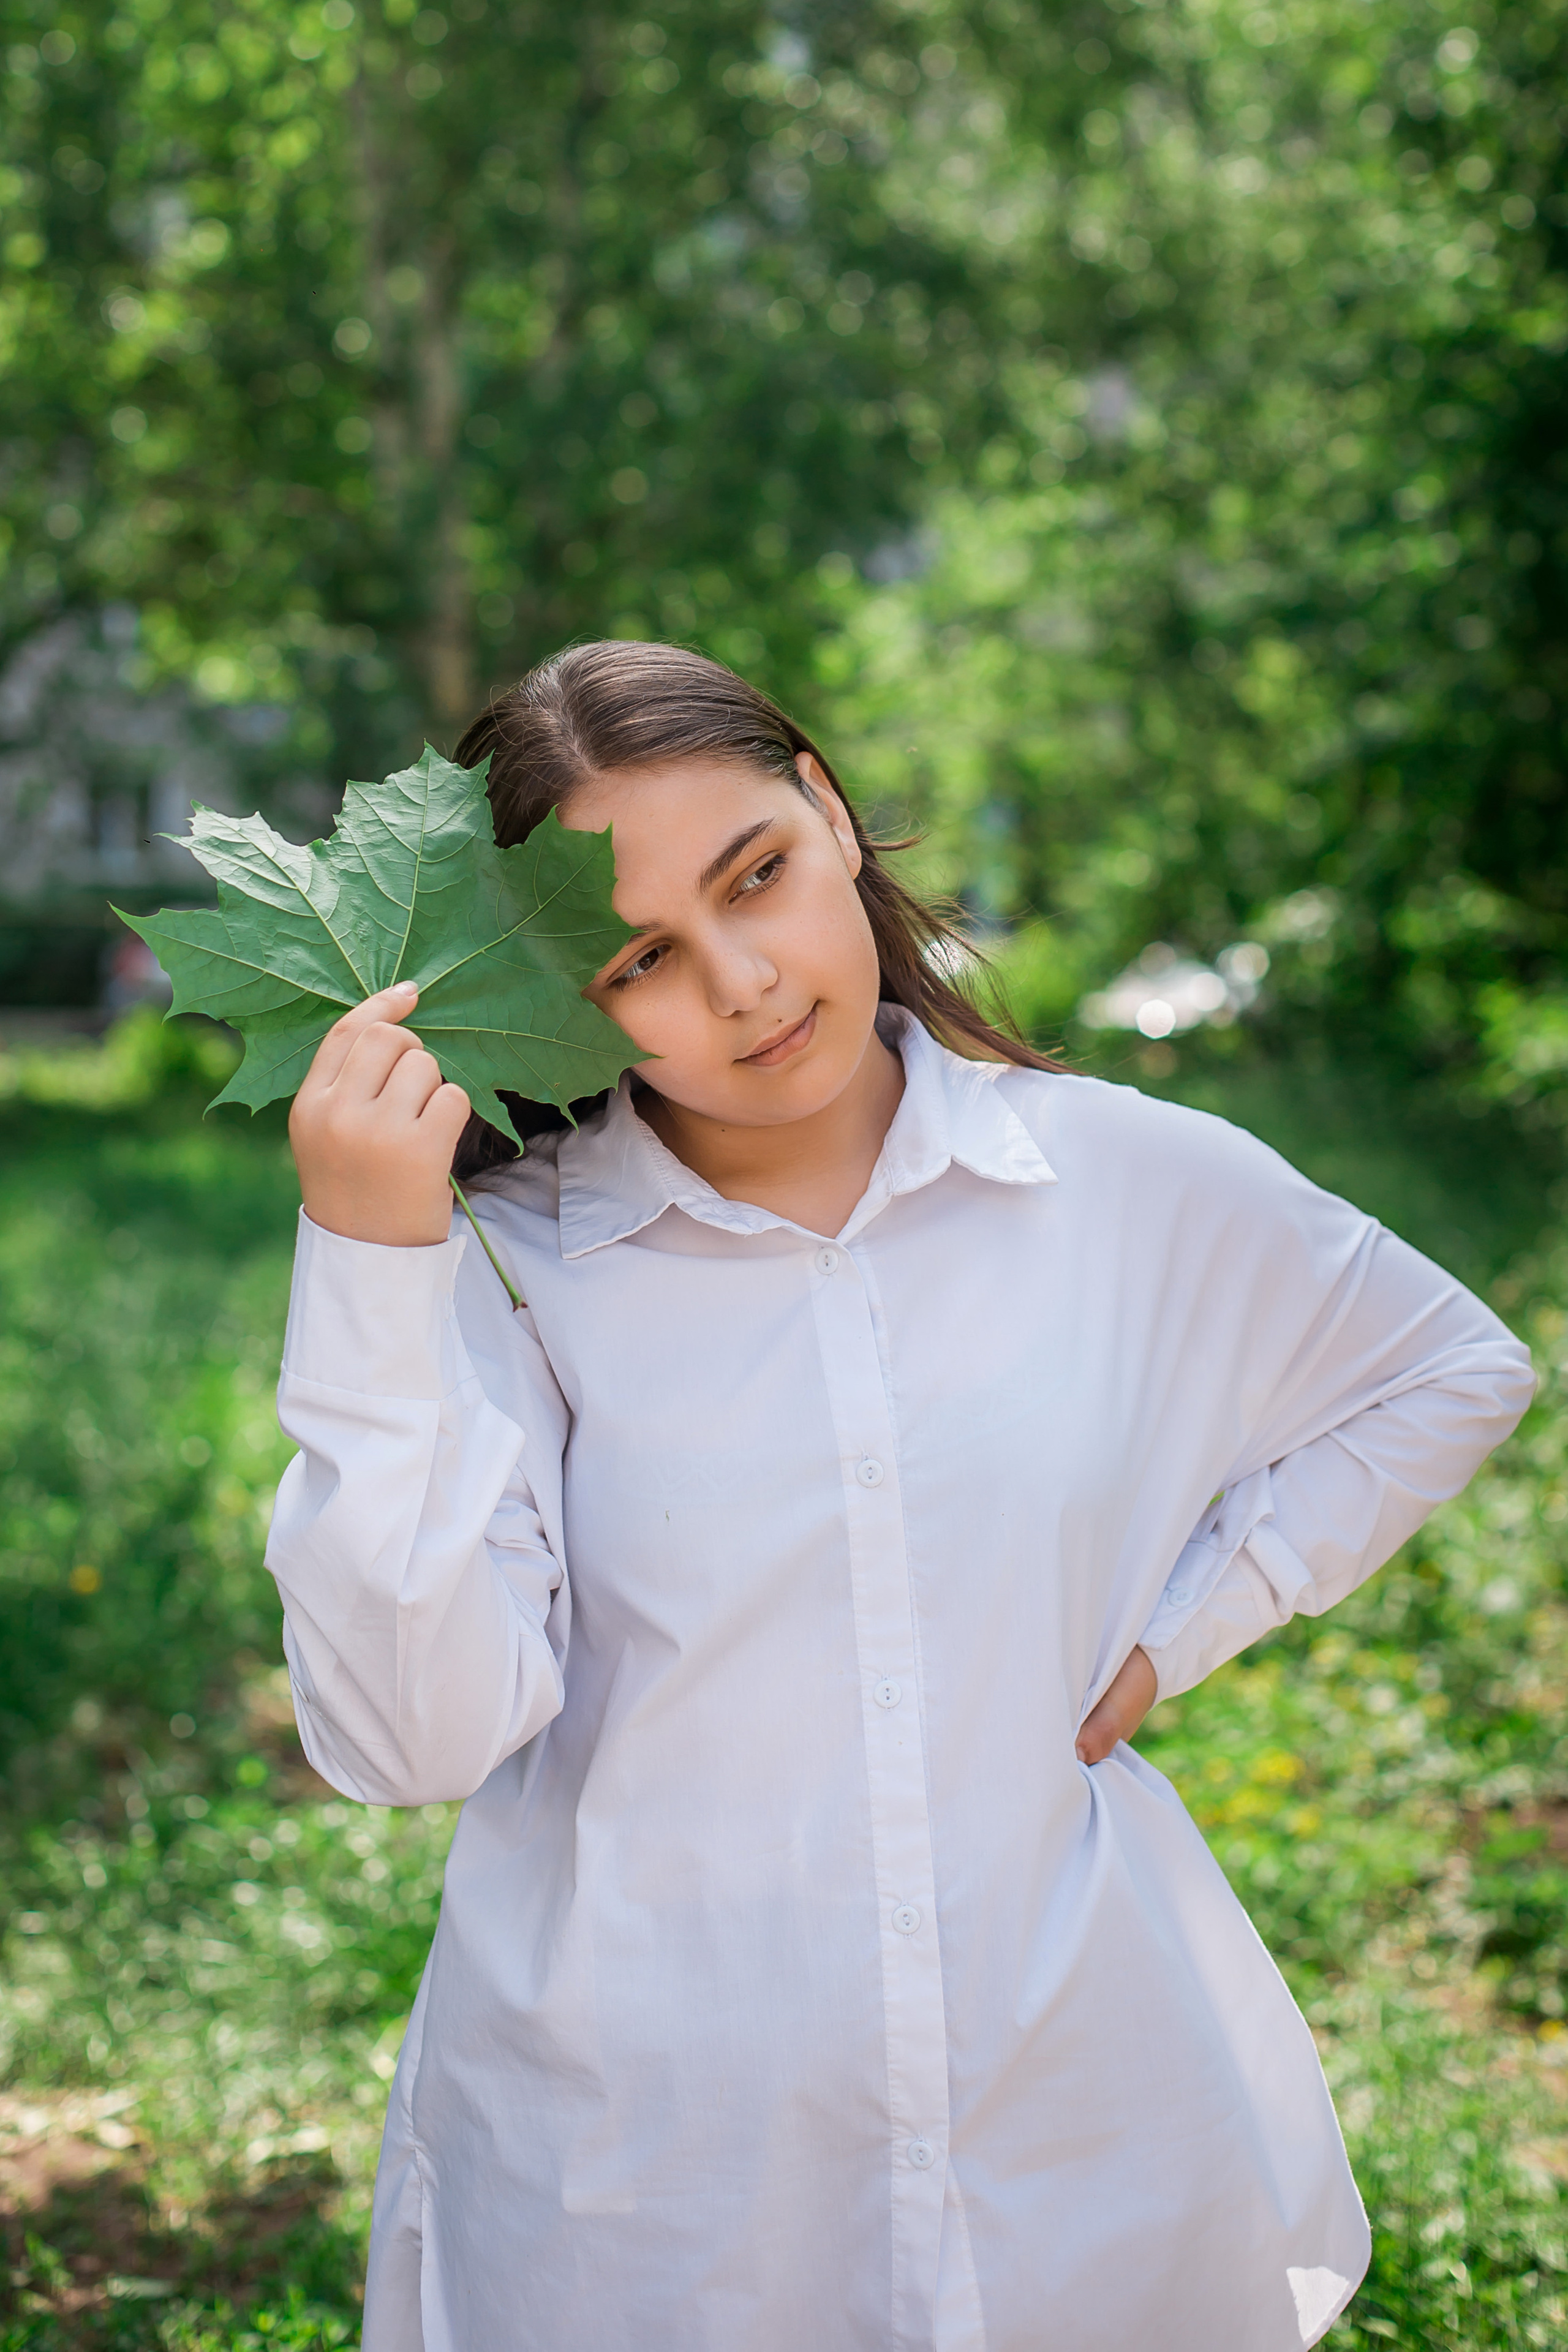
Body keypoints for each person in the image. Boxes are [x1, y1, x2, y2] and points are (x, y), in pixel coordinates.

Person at [267, 641, 1534, 2352]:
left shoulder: (1119, 1181)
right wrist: (367, 1263)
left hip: (1072, 2116)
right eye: (643, 955)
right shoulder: (513, 1273)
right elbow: (408, 1746)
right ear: (562, 992)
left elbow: (1444, 1370)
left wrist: (1190, 1626)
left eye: (760, 876)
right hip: (646, 2184)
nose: (742, 982)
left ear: (835, 812)